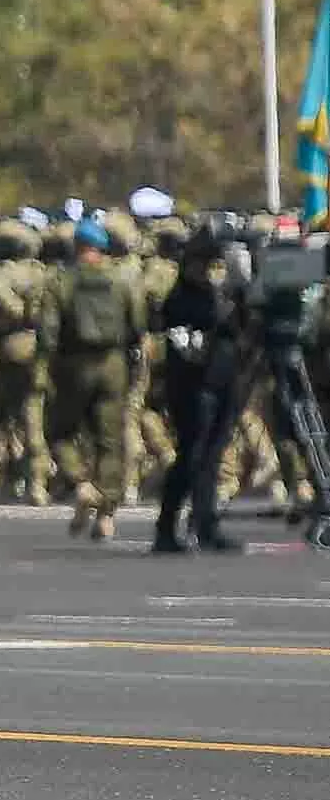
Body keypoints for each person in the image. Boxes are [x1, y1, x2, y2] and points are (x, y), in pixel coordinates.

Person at [45, 215, 142, 544]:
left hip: (75, 364)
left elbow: (48, 332)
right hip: (113, 363)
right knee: (110, 440)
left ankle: (81, 484)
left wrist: (51, 367)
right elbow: (137, 324)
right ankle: (107, 514)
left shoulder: (61, 282)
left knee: (60, 431)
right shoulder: (121, 279)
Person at [151, 225, 246, 555]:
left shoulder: (216, 295)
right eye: (204, 264)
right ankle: (167, 525)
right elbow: (189, 342)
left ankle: (205, 523)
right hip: (193, 387)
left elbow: (238, 329)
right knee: (191, 458)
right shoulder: (181, 299)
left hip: (221, 381)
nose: (209, 271)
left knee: (211, 458)